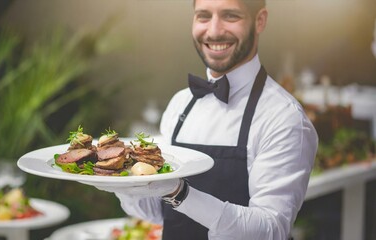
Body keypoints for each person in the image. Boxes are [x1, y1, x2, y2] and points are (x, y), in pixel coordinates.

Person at [97, 0, 318, 239]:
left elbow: (270, 231)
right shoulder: (180, 104)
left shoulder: (283, 117)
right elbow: (160, 214)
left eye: (230, 16)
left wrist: (181, 193)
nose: (213, 31)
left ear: (260, 20)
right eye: (203, 16)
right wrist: (121, 183)